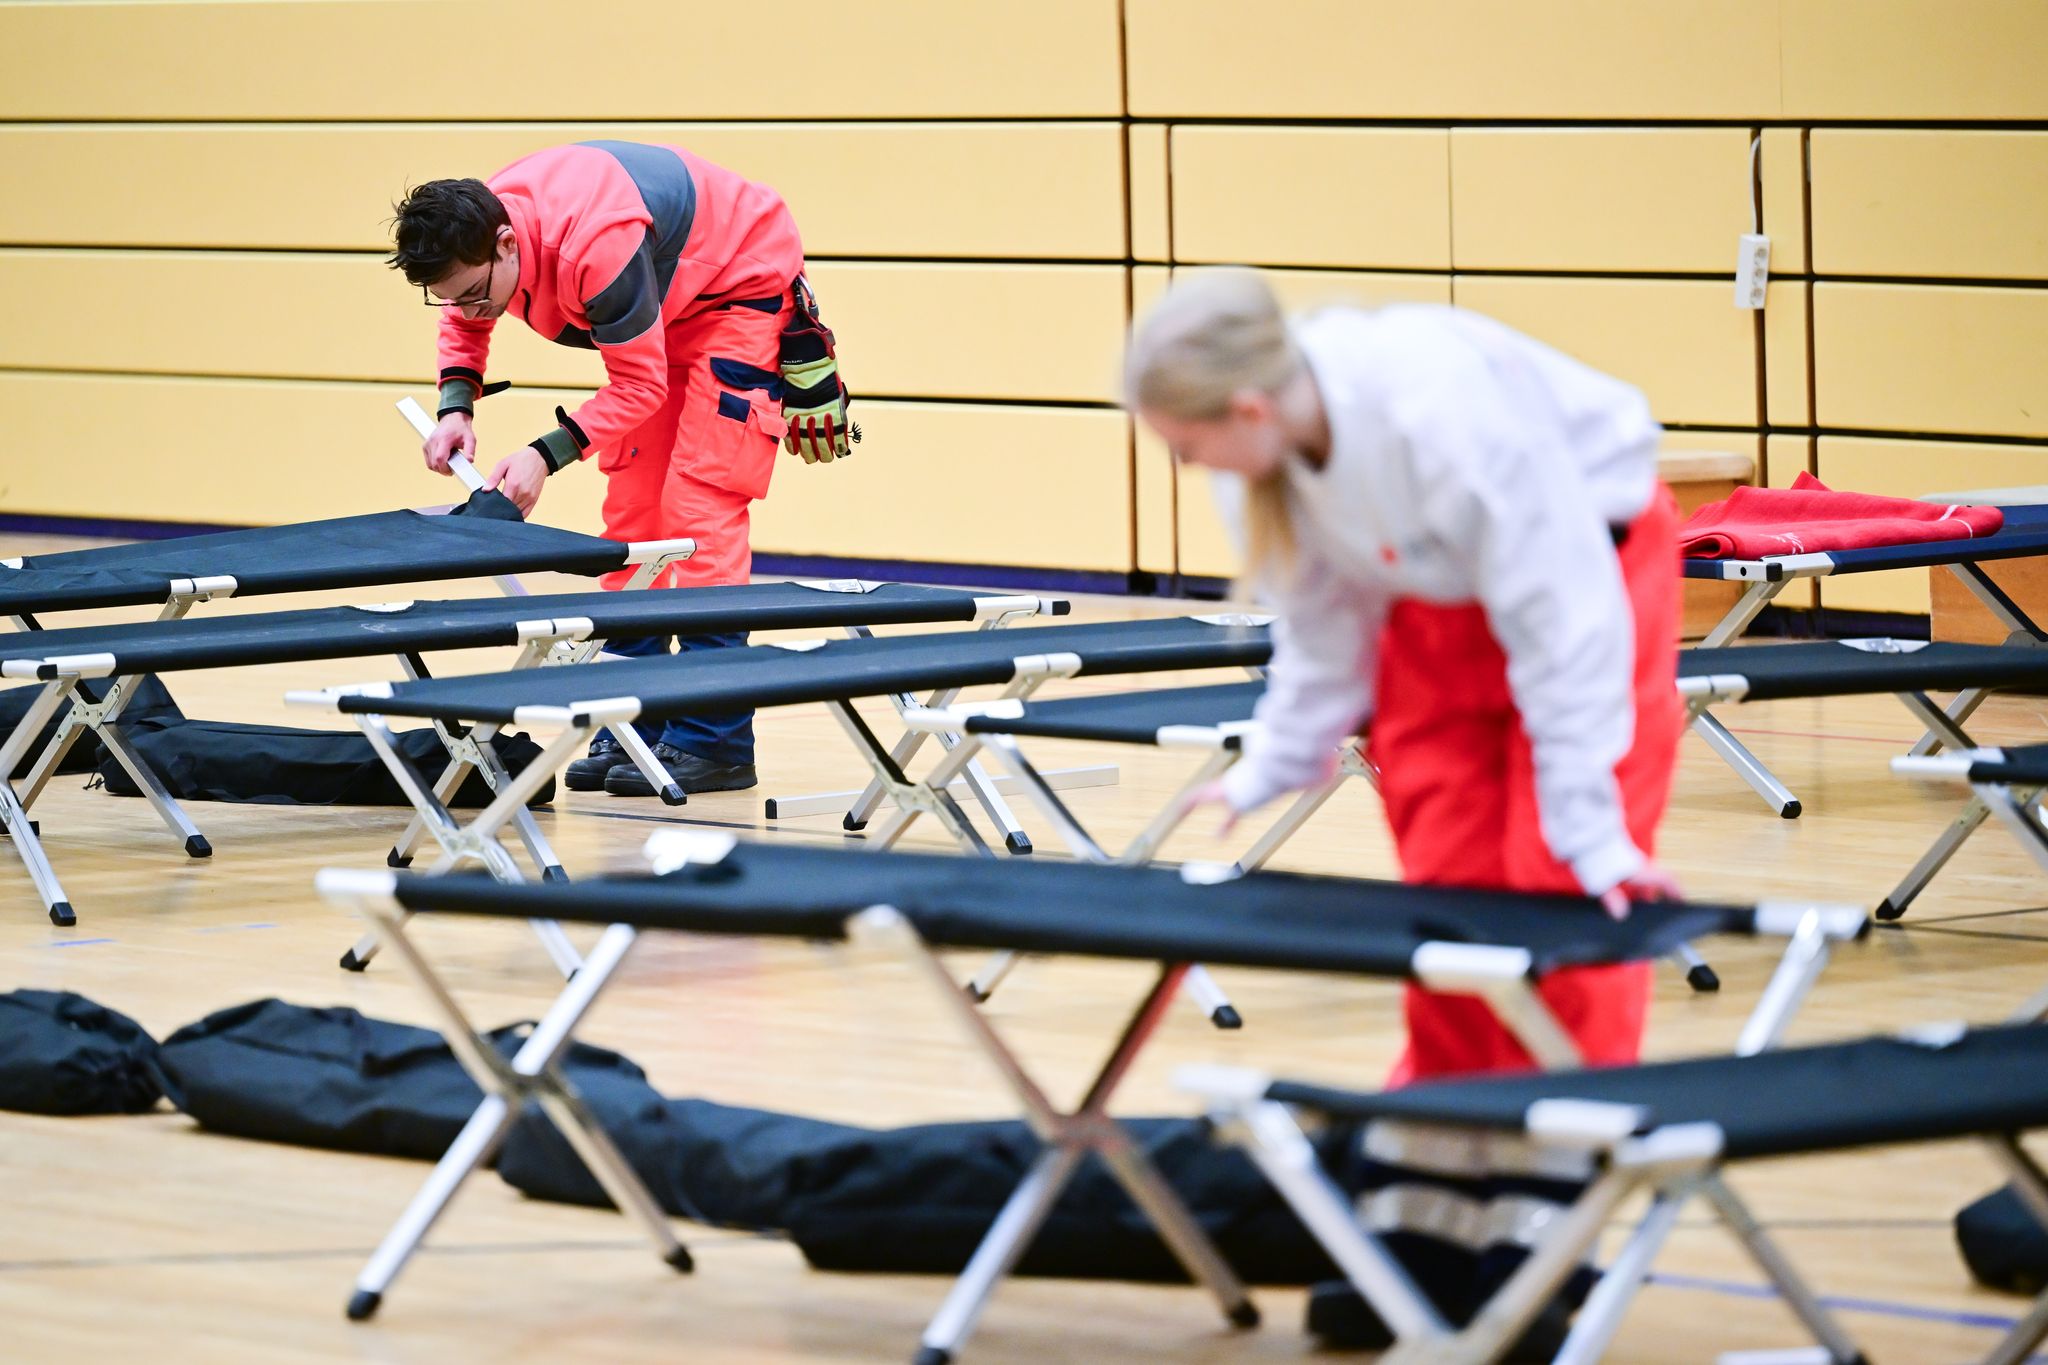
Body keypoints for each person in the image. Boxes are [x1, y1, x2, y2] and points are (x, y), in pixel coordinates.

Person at [1127, 269, 1686, 1352]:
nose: (1183, 467)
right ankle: (1425, 1224)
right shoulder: (1261, 457)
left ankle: (1542, 1235)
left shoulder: (1440, 413)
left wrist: (1587, 822)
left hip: (1591, 580)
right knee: (1446, 911)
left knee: (1557, 900)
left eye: (1183, 445)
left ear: (1242, 410)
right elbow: (1316, 618)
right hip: (1427, 602)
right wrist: (1271, 765)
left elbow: (1567, 630)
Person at [387, 141, 854, 797]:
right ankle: (634, 712)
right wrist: (455, 404)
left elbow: (639, 388)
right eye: (447, 297)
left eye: (472, 292)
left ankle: (713, 737)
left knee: (700, 510)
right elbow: (468, 325)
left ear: (506, 242)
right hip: (669, 302)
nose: (467, 308)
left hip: (738, 290)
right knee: (633, 514)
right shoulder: (479, 235)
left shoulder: (595, 244)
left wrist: (542, 455)